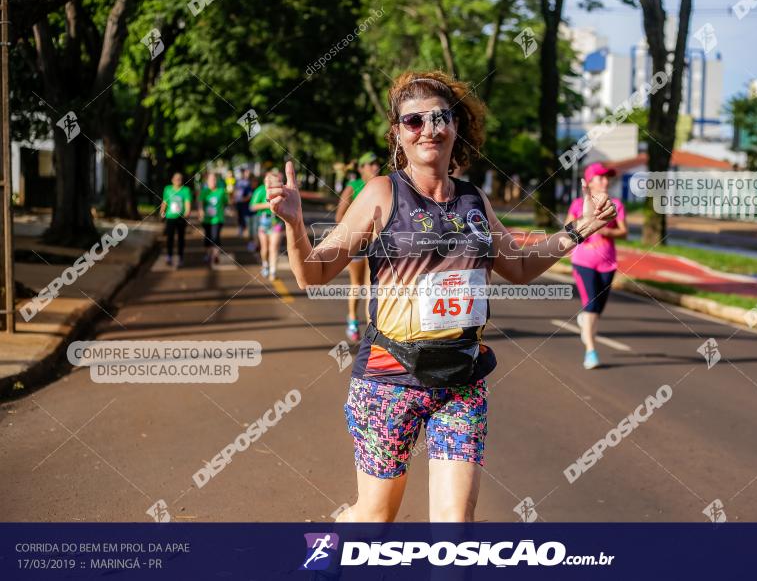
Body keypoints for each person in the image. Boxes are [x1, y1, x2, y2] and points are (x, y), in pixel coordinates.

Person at [266, 71, 616, 523]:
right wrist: (295, 225)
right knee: (375, 518)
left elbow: (520, 265)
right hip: (388, 379)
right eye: (414, 121)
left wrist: (577, 231)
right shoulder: (381, 193)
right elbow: (313, 274)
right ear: (398, 134)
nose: (428, 128)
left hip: (460, 381)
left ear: (456, 126)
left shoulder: (475, 200)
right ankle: (332, 547)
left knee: (455, 527)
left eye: (440, 117)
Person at [563, 162, 627, 369]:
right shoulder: (578, 203)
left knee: (597, 308)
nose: (605, 181)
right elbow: (567, 229)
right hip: (584, 262)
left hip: (608, 263)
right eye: (600, 178)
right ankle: (590, 350)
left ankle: (586, 323)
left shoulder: (615, 204)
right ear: (589, 182)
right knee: (591, 305)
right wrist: (586, 222)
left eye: (607, 178)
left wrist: (606, 231)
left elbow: (624, 232)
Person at [336, 151, 381, 342]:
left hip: (377, 245)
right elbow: (339, 217)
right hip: (358, 245)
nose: (374, 167)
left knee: (372, 288)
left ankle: (372, 329)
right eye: (369, 164)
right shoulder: (352, 187)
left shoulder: (383, 186)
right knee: (358, 285)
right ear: (361, 168)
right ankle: (353, 320)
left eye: (376, 163)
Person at [250, 171, 285, 280]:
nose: (269, 182)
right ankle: (265, 264)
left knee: (274, 248)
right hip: (263, 222)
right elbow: (252, 207)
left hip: (276, 223)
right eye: (267, 180)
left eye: (271, 180)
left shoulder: (279, 191)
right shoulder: (260, 190)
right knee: (264, 248)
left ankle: (273, 271)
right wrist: (267, 205)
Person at [160, 172, 192, 268]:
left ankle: (180, 257)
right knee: (170, 237)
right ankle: (169, 256)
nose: (178, 180)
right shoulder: (168, 189)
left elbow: (187, 203)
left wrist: (187, 212)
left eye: (180, 179)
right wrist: (162, 211)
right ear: (172, 180)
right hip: (170, 217)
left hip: (181, 218)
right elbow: (165, 201)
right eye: (176, 178)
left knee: (181, 238)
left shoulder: (185, 190)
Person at [200, 172, 228, 268]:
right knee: (207, 237)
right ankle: (208, 254)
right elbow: (200, 202)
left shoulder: (221, 191)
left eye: (214, 180)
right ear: (207, 182)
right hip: (207, 219)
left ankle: (215, 255)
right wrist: (200, 211)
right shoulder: (204, 191)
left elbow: (226, 202)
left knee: (215, 237)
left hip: (217, 218)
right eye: (210, 180)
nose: (212, 182)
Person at [233, 169, 254, 244]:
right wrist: (234, 198)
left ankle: (247, 233)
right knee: (239, 216)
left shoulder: (249, 182)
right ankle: (240, 230)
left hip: (246, 204)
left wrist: (243, 199)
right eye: (245, 173)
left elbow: (250, 195)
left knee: (246, 218)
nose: (246, 174)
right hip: (239, 203)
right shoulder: (238, 182)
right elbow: (235, 190)